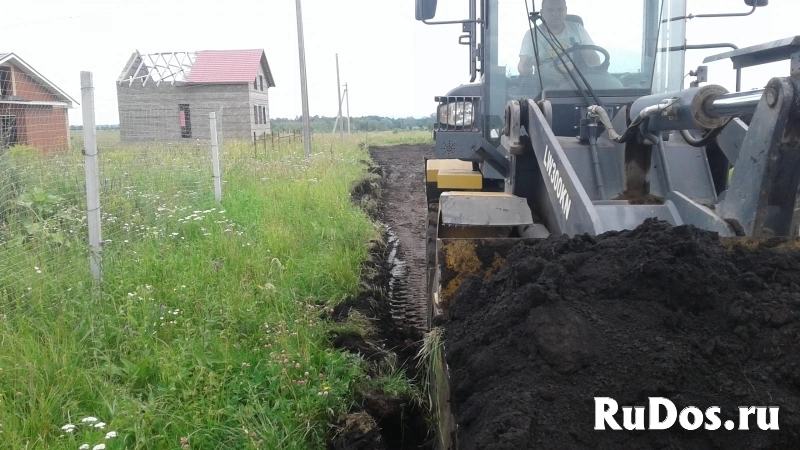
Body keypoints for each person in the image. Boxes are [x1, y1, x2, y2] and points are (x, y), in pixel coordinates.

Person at [517, 0, 601, 86]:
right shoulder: (532, 34)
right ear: (542, 12)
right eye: (550, 10)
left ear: (566, 10)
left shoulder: (577, 29)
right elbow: (522, 64)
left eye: (560, 9)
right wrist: (525, 68)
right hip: (545, 87)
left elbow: (592, 56)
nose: (555, 13)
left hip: (578, 84)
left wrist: (591, 73)